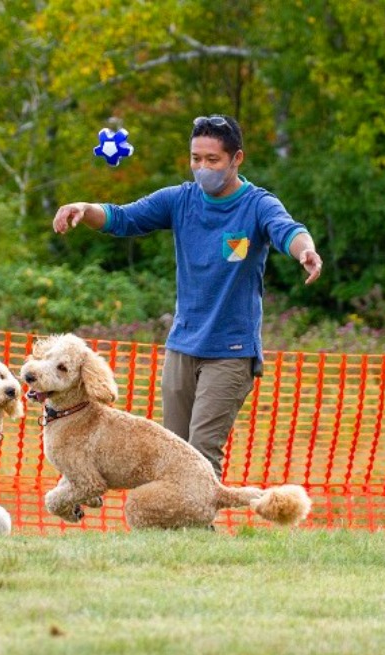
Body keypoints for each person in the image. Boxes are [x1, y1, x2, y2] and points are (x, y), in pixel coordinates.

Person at [51, 114, 322, 477]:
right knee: (172, 448)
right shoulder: (180, 200)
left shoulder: (257, 204)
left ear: (236, 159)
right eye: (196, 158)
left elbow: (288, 230)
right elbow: (123, 218)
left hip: (231, 352)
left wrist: (305, 251)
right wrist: (85, 210)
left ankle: (201, 528)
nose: (202, 167)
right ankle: (174, 531)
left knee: (202, 450)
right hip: (183, 345)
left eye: (213, 160)